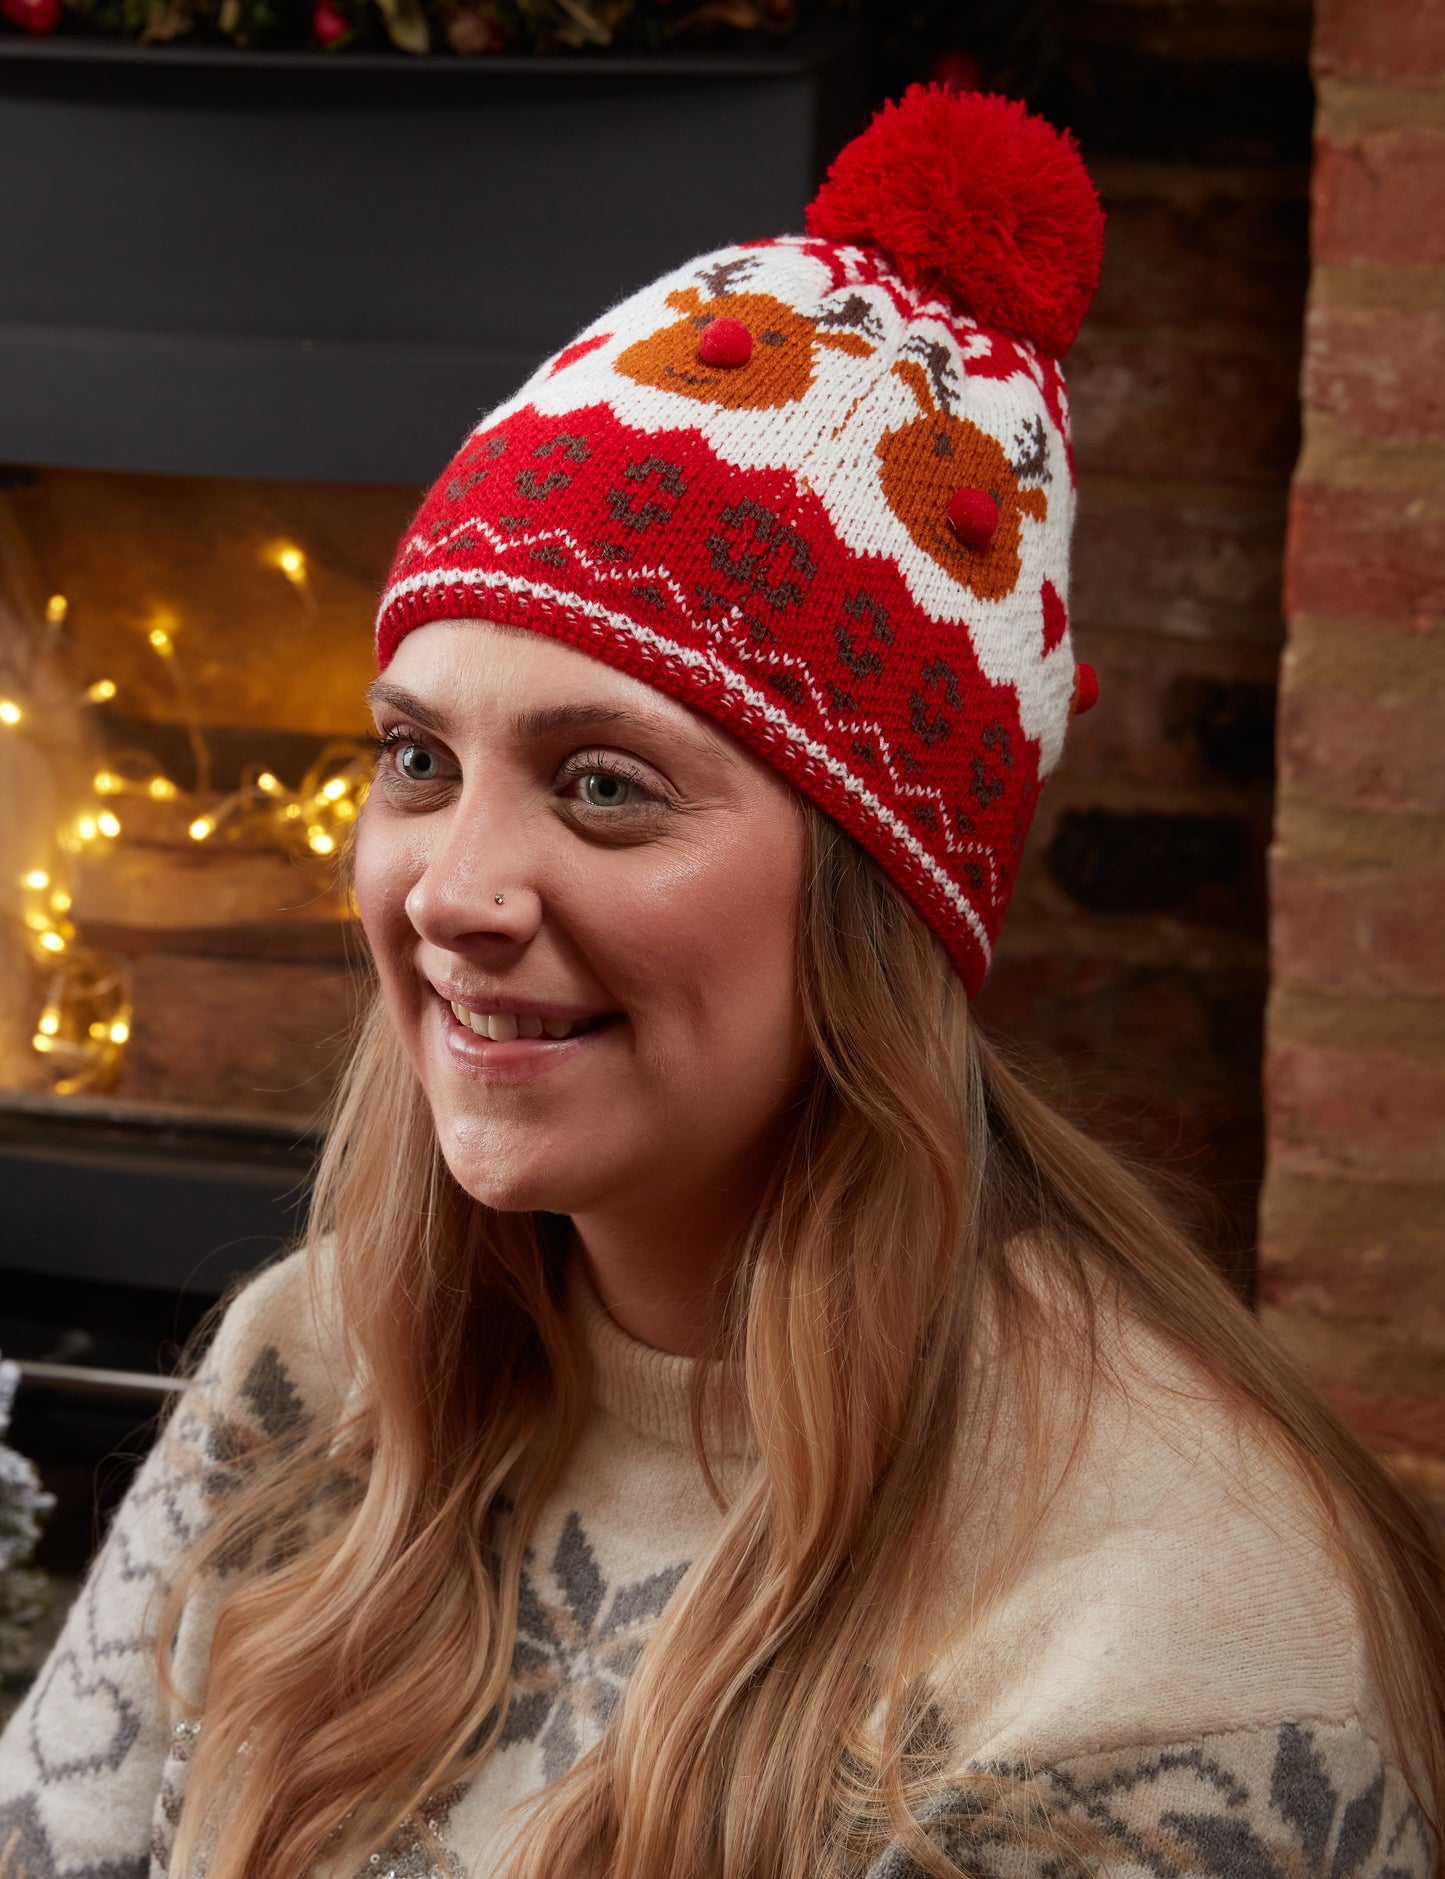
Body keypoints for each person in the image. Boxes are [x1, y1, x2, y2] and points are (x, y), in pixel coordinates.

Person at [1, 84, 1441, 1879]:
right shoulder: (315, 1359)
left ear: (871, 901)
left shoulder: (1170, 1661)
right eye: (416, 761)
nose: (451, 893)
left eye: (604, 785)